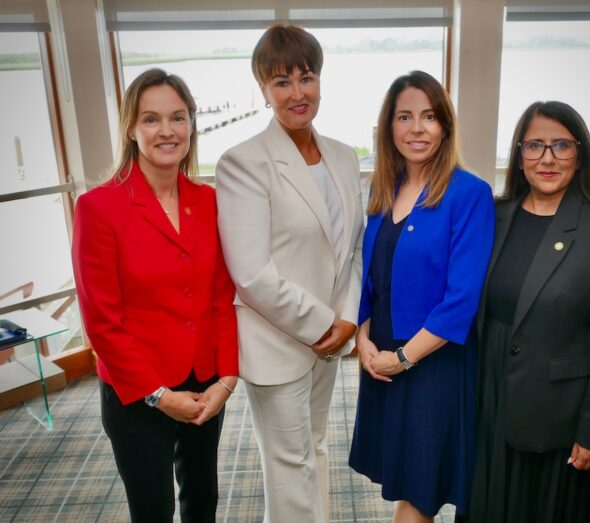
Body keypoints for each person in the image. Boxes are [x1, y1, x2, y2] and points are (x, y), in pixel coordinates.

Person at [72, 68, 239, 523]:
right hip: (137, 393)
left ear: (191, 125)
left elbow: (221, 297)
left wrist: (226, 379)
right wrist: (159, 395)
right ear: (131, 128)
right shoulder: (97, 208)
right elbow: (101, 323)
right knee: (153, 512)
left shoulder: (209, 201)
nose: (167, 130)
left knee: (202, 501)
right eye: (151, 119)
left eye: (177, 118)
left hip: (203, 383)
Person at [467, 101, 590, 522]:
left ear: (580, 155)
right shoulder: (495, 215)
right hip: (489, 401)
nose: (547, 158)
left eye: (561, 145)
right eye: (535, 146)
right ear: (519, 155)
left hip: (560, 417)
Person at [215, 24, 363, 523]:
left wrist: (347, 320)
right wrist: (324, 323)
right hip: (278, 341)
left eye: (306, 77)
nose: (297, 93)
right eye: (282, 82)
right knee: (289, 467)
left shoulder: (343, 156)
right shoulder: (242, 163)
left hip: (330, 338)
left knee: (315, 447)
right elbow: (251, 273)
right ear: (263, 89)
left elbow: (353, 249)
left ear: (320, 80)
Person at [348, 70, 495, 522]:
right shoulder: (382, 191)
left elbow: (462, 299)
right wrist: (362, 338)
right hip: (384, 358)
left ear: (445, 126)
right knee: (406, 483)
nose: (417, 128)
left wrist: (403, 359)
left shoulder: (470, 194)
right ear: (388, 127)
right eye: (404, 117)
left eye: (429, 117)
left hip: (433, 364)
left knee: (419, 492)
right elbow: (371, 277)